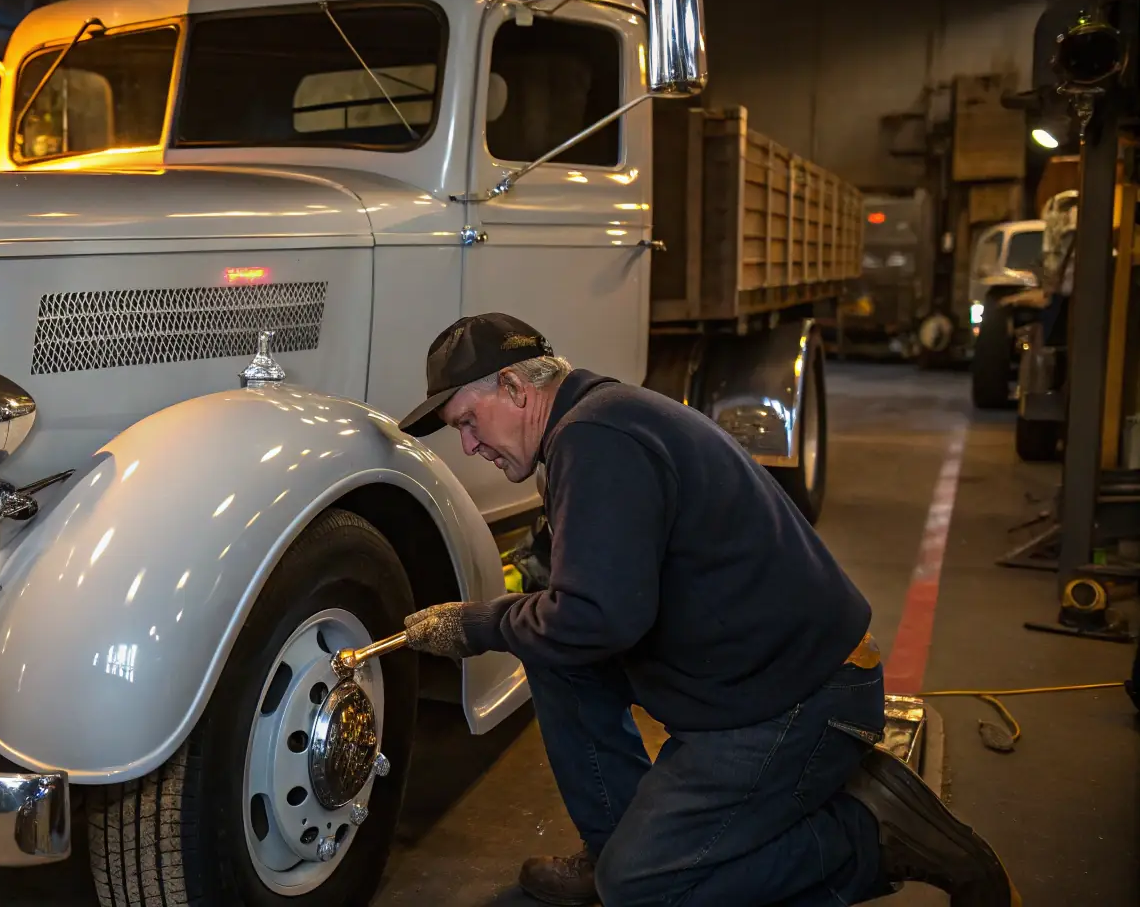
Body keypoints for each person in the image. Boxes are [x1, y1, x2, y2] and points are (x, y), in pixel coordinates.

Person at [396, 313, 1016, 907]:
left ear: (513, 386)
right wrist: (517, 615)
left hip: (799, 699)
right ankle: (614, 845)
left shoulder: (596, 437)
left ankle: (868, 834)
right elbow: (584, 603)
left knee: (641, 890)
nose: (470, 445)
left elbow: (599, 618)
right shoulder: (595, 422)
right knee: (551, 650)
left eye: (468, 422)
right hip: (749, 677)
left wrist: (477, 624)